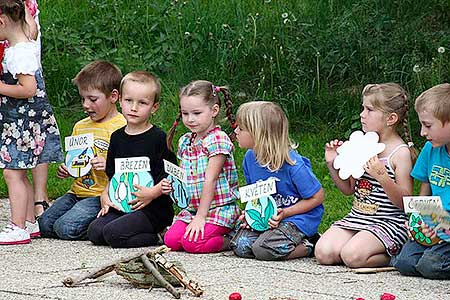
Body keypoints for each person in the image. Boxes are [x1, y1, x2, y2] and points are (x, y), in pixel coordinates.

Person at [314, 83, 416, 268]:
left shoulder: (399, 154)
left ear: (391, 118)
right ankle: (360, 246)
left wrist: (382, 176)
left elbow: (406, 203)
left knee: (353, 257)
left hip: (388, 222)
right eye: (363, 108)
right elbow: (348, 189)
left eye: (369, 109)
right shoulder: (361, 144)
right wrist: (332, 163)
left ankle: (395, 256)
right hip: (358, 217)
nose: (362, 114)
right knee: (323, 253)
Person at [38, 60, 126, 240]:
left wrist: (109, 165)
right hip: (77, 191)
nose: (86, 105)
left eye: (93, 99)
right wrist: (68, 168)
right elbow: (76, 159)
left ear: (113, 96)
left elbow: (129, 165)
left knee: (65, 229)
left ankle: (107, 222)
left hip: (99, 194)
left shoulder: (122, 127)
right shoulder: (80, 126)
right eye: (83, 98)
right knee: (44, 225)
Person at [87, 71, 176, 248]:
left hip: (153, 208)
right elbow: (113, 174)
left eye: (142, 103)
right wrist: (105, 195)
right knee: (95, 232)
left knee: (113, 235)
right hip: (124, 204)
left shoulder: (158, 138)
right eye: (129, 101)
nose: (134, 108)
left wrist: (151, 193)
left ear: (154, 107)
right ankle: (129, 227)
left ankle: (158, 236)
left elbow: (170, 176)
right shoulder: (117, 138)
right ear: (120, 101)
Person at [0, 0, 63, 245]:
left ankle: (17, 227)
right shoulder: (22, 44)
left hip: (24, 123)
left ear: (2, 22)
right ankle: (28, 222)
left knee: (12, 173)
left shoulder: (20, 52)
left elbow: (28, 89)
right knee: (19, 172)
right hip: (20, 121)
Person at [230, 101, 325, 260]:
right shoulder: (249, 158)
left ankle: (309, 244)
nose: (236, 131)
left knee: (263, 250)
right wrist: (251, 216)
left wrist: (285, 213)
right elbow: (256, 196)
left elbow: (318, 197)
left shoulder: (293, 164)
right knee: (241, 245)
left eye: (241, 128)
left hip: (296, 219)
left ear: (259, 133)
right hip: (270, 218)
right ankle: (276, 240)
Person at [163, 80, 240, 253]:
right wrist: (173, 186)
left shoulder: (217, 139)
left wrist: (200, 217)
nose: (190, 119)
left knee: (192, 244)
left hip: (218, 209)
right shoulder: (185, 141)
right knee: (172, 241)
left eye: (197, 113)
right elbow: (183, 176)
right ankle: (201, 228)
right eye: (185, 113)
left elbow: (210, 179)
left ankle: (230, 239)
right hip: (193, 208)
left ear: (214, 111)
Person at [392, 83, 450, 279]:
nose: (422, 133)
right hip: (436, 221)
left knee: (430, 265)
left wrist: (444, 229)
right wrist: (416, 223)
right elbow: (425, 196)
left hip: (446, 227)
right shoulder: (430, 149)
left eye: (428, 125)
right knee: (404, 262)